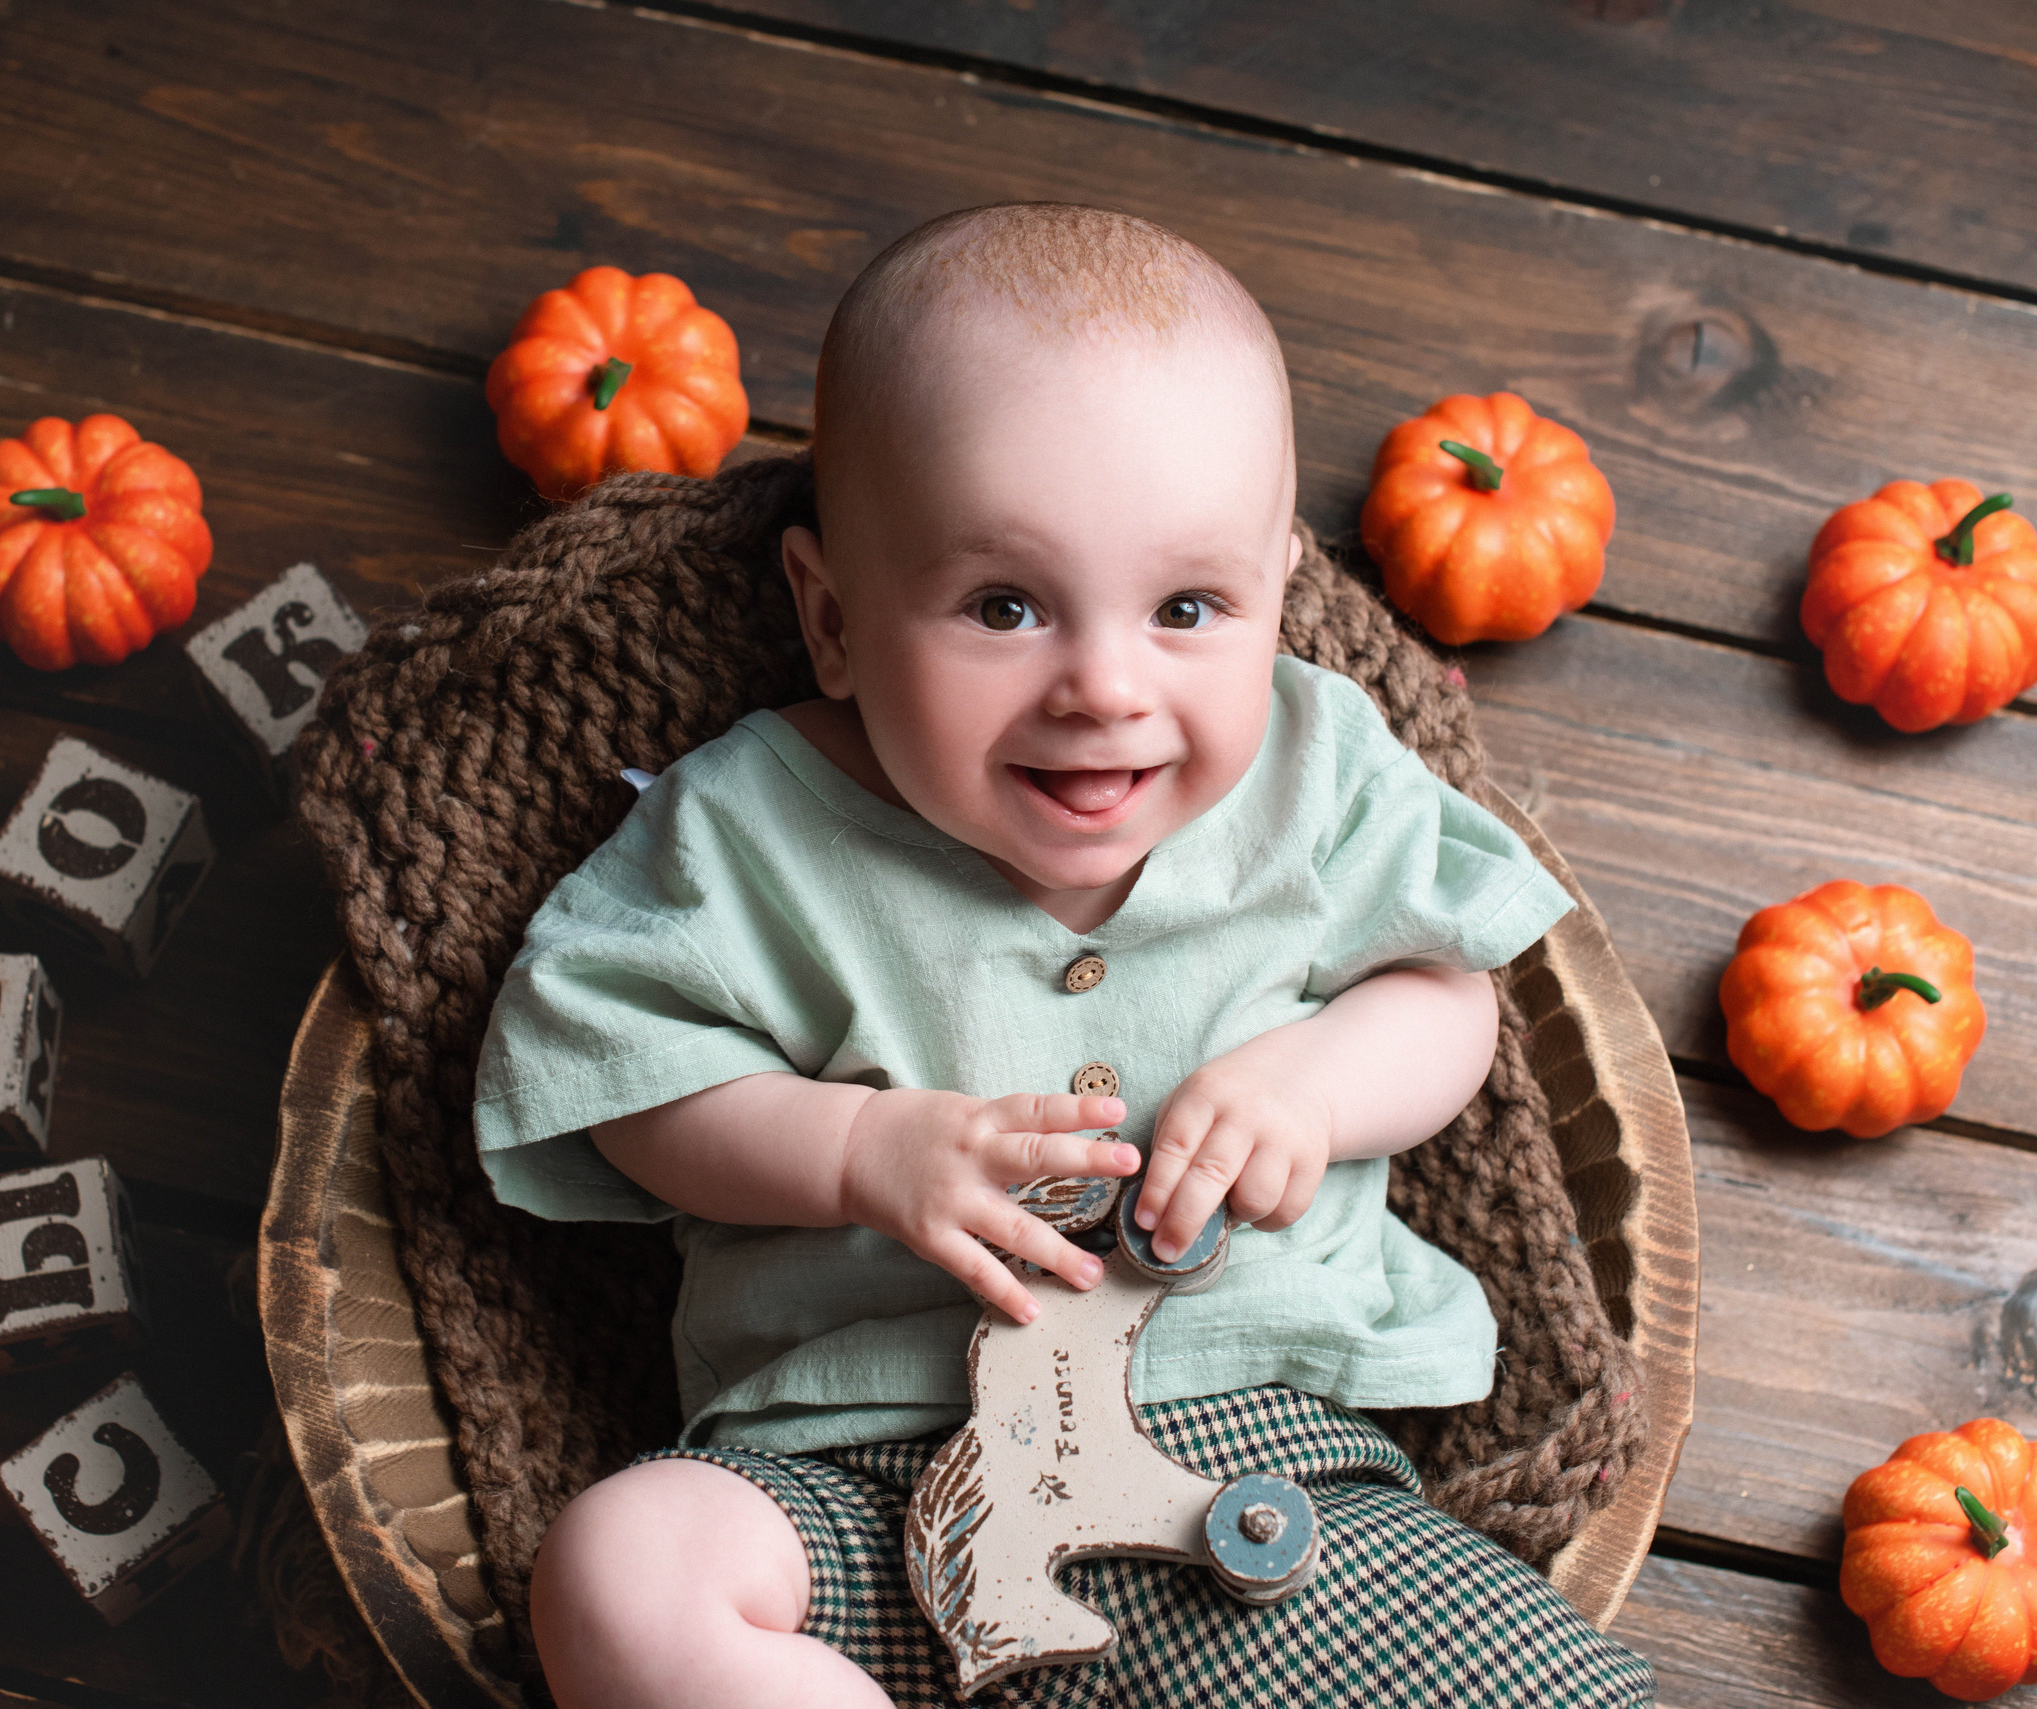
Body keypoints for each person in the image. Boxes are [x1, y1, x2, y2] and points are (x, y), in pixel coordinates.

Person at [476, 203, 1656, 1708]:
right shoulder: (752, 827)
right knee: (621, 1569)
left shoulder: (1321, 775)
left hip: (1269, 1478)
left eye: (1185, 608)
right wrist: (853, 1151)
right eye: (1004, 607)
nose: (1104, 685)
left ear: (1278, 597)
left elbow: (1449, 997)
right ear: (833, 620)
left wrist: (1315, 1085)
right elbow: (623, 1075)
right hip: (853, 1479)